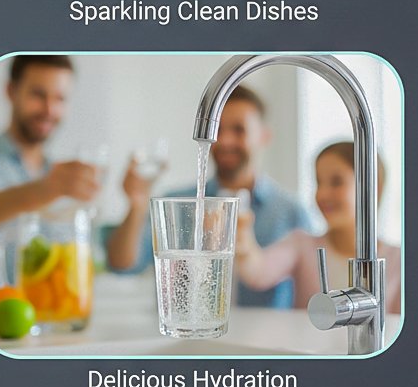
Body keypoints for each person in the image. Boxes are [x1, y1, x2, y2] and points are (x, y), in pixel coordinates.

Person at [106, 85, 313, 308]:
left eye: (238, 130)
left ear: (264, 136)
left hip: (267, 341)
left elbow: (310, 290)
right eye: (218, 130)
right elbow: (123, 265)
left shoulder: (291, 213)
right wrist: (136, 204)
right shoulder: (179, 204)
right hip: (189, 337)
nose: (224, 141)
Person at [0, 55, 150, 290]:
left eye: (59, 98)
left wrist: (136, 205)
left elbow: (116, 262)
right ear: (11, 91)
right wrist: (45, 190)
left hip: (58, 321)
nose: (49, 109)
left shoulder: (64, 176)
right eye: (38, 95)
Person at [235, 142, 401, 313]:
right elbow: (257, 272)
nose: (323, 193)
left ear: (373, 187)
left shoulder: (398, 260)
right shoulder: (301, 245)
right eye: (319, 182)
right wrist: (243, 239)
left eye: (336, 182)